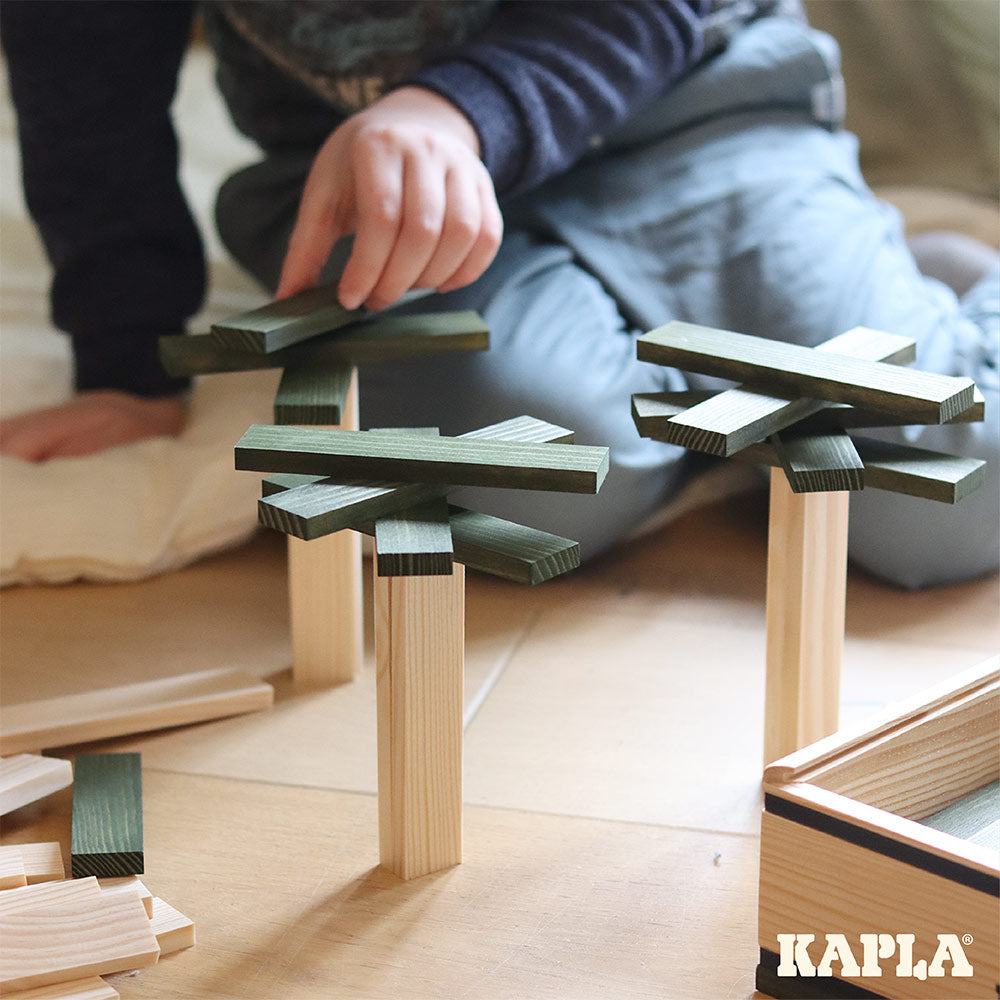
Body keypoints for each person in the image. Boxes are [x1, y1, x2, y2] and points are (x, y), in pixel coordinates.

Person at [1, 1, 996, 590]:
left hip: (694, 115)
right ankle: (719, 342)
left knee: (944, 497)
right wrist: (124, 359)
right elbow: (84, 84)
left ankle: (934, 291)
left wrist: (453, 111)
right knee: (542, 491)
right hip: (374, 181)